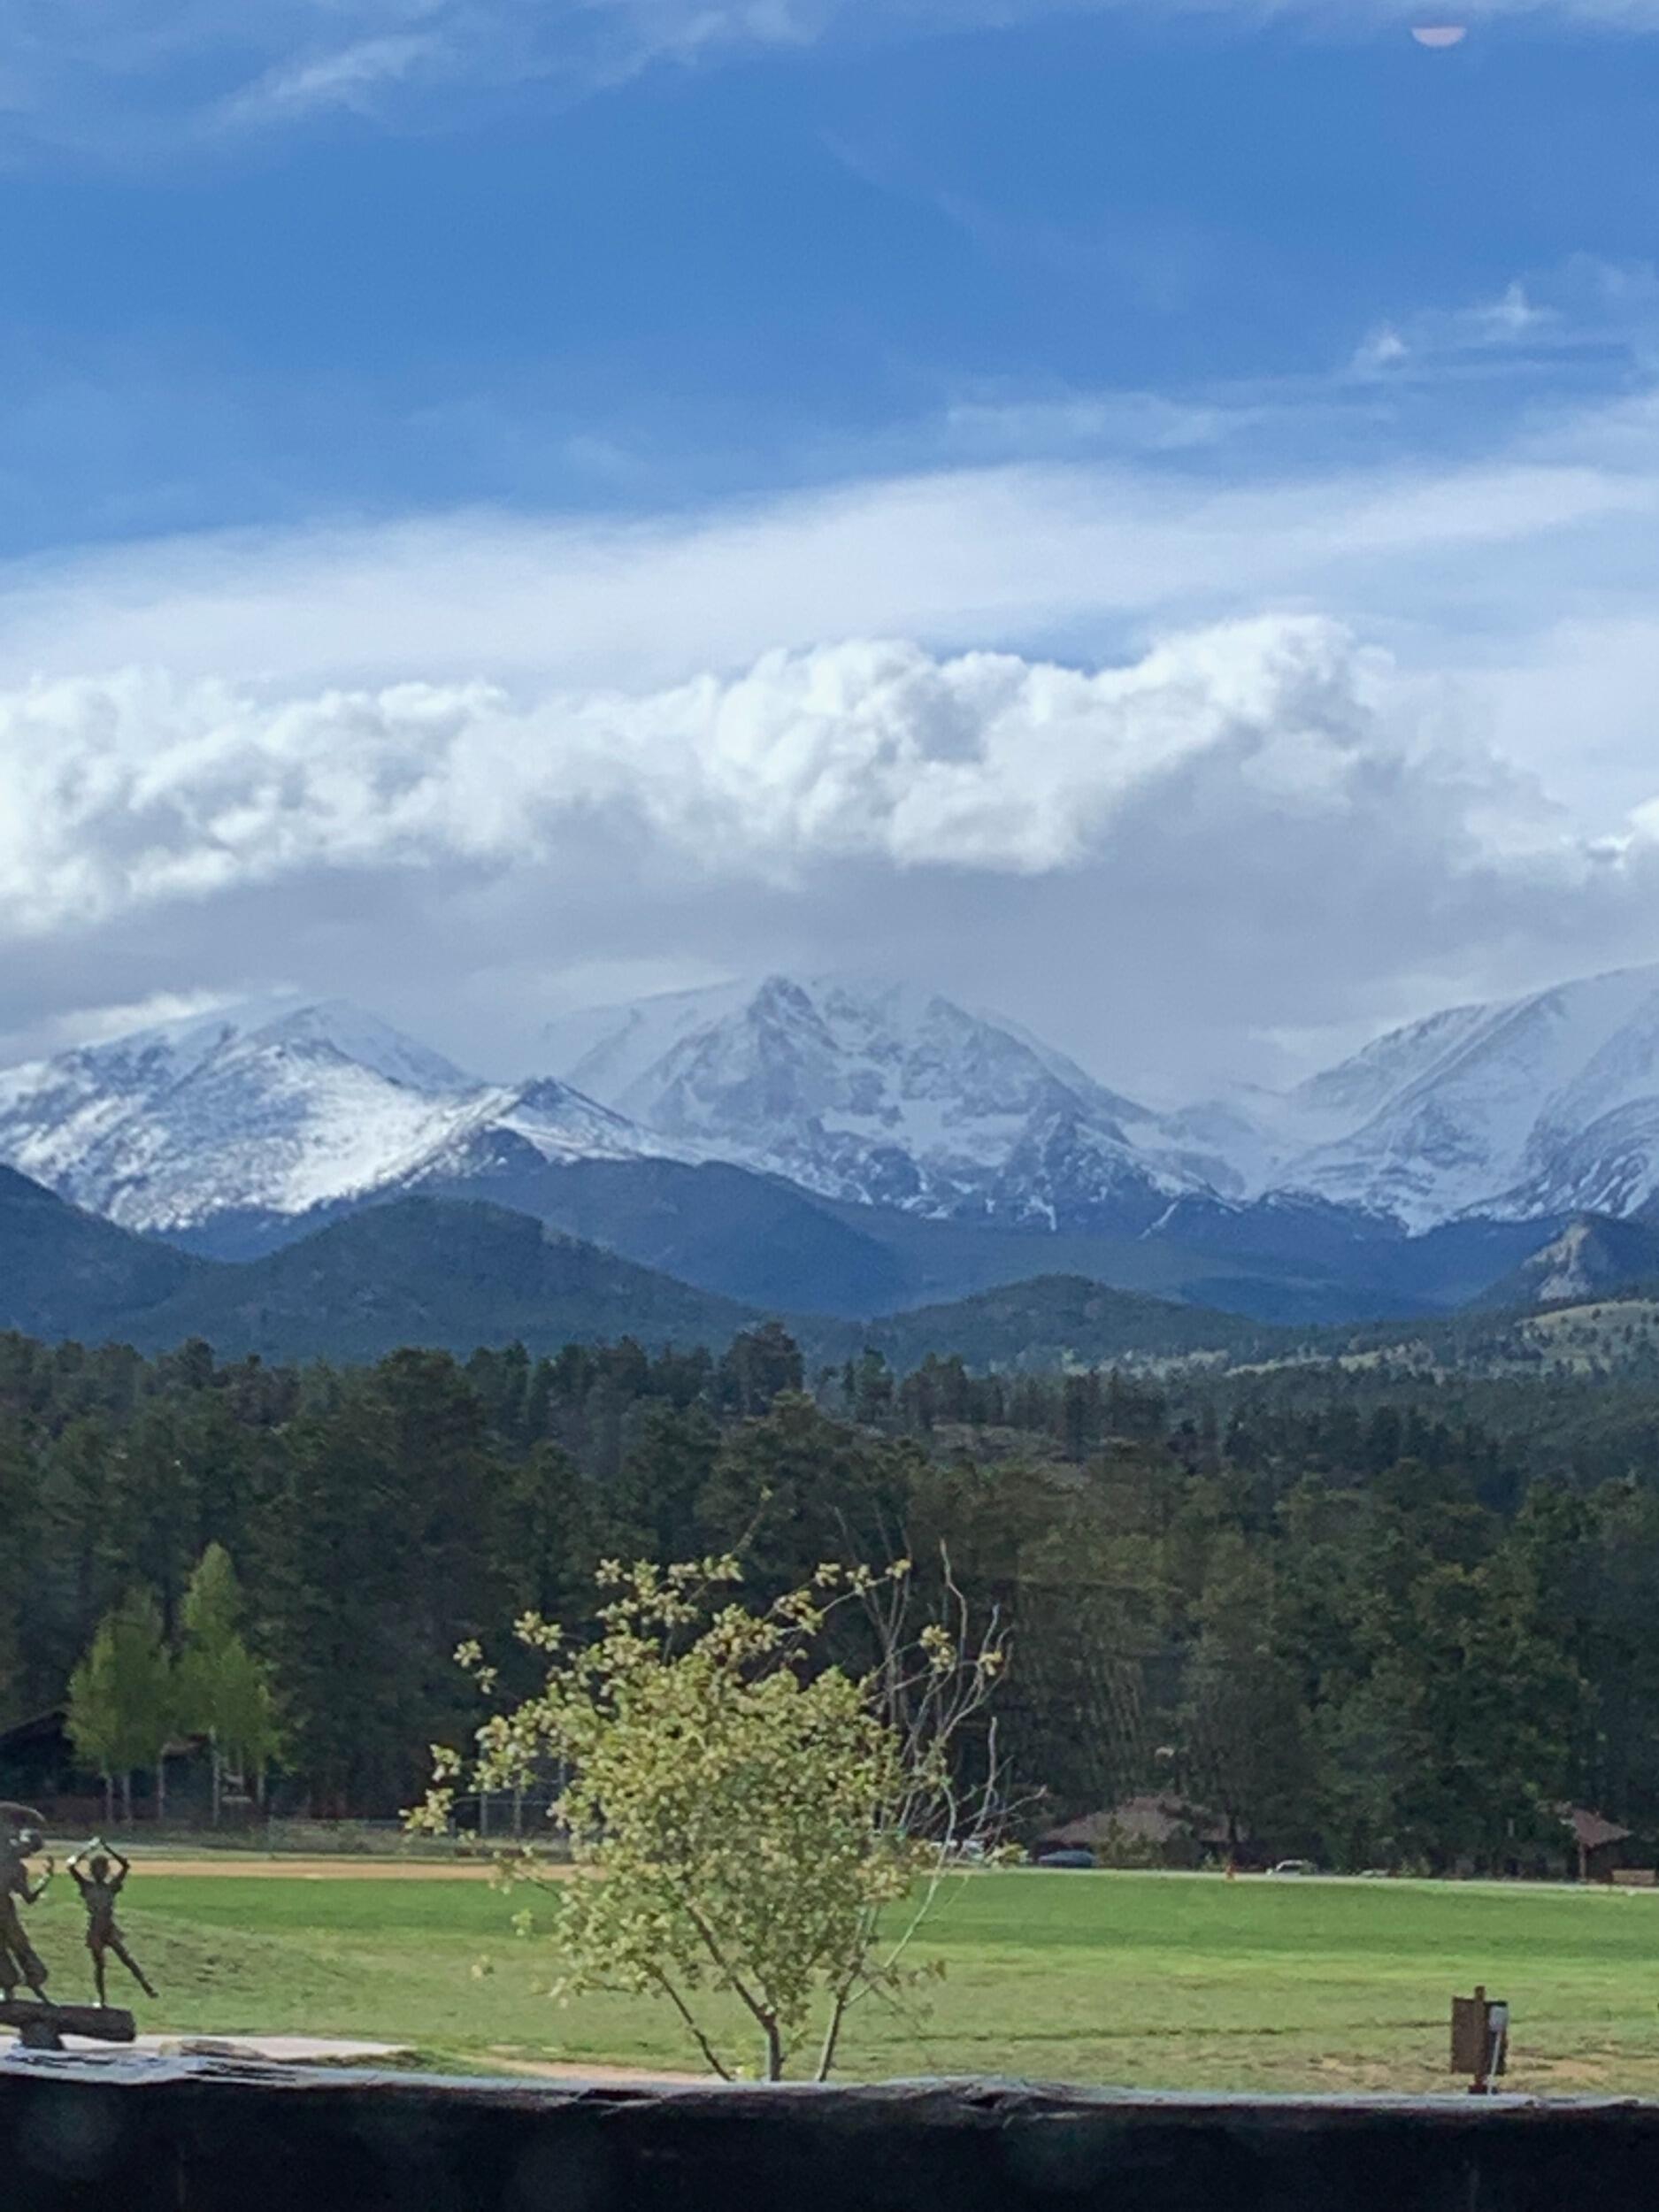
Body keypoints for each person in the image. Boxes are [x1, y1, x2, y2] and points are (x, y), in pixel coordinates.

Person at [66, 1839, 156, 2007]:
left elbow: (125, 1865)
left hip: (108, 1927)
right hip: (95, 1929)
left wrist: (109, 1849)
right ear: (93, 1871)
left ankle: (146, 1986)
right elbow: (70, 1866)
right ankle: (101, 1999)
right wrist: (87, 1849)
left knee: (126, 1958)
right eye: (97, 1869)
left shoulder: (111, 1886)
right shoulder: (86, 1886)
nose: (100, 1872)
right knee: (99, 1966)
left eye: (103, 1869)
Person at [0, 1826, 53, 2001]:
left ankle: (33, 1980)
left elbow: (28, 1897)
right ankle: (7, 1987)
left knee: (19, 1946)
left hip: (5, 1908)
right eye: (29, 1848)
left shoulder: (19, 1868)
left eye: (32, 1851)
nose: (29, 1854)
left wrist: (45, 1879)